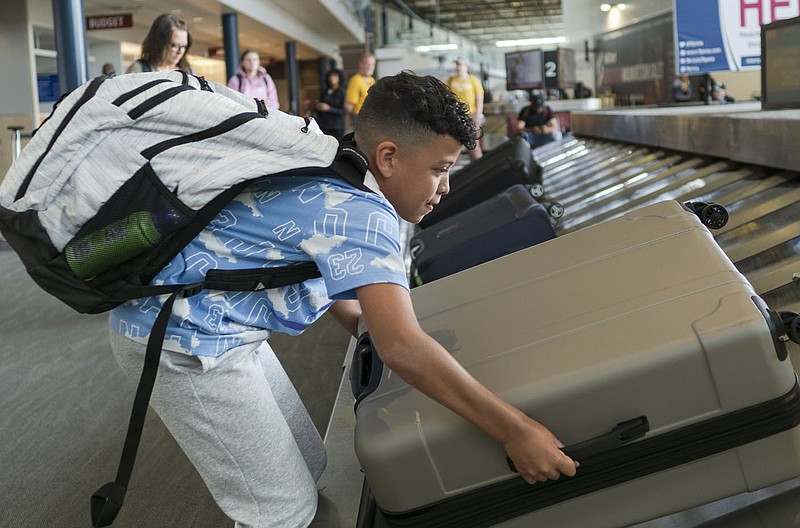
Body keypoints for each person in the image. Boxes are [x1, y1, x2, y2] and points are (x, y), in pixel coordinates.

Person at [107, 71, 578, 528]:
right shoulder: (366, 214)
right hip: (180, 340)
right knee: (279, 512)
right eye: (440, 169)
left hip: (216, 322)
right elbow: (400, 347)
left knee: (310, 465)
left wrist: (380, 332)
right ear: (388, 157)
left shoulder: (332, 158)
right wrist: (516, 432)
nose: (446, 187)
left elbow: (314, 271)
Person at [126, 13, 192, 73]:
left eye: (184, 46)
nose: (180, 52)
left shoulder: (188, 70)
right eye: (174, 45)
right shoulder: (139, 69)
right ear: (159, 43)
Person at [446, 57, 484, 160]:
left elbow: (479, 98)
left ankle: (478, 165)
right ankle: (454, 169)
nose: (458, 67)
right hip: (455, 115)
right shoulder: (450, 80)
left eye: (461, 65)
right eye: (457, 65)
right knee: (453, 143)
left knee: (473, 143)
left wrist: (478, 115)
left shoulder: (473, 80)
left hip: (471, 115)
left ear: (466, 67)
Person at [344, 52, 376, 130]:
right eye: (367, 64)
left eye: (372, 64)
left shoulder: (372, 80)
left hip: (372, 117)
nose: (370, 67)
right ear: (361, 64)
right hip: (360, 118)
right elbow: (349, 107)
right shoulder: (355, 80)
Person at [315, 69, 346, 140]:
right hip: (324, 124)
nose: (332, 78)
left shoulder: (342, 92)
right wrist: (318, 106)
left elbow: (343, 111)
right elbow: (318, 103)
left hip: (336, 126)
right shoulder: (325, 91)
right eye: (330, 76)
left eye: (335, 76)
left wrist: (329, 109)